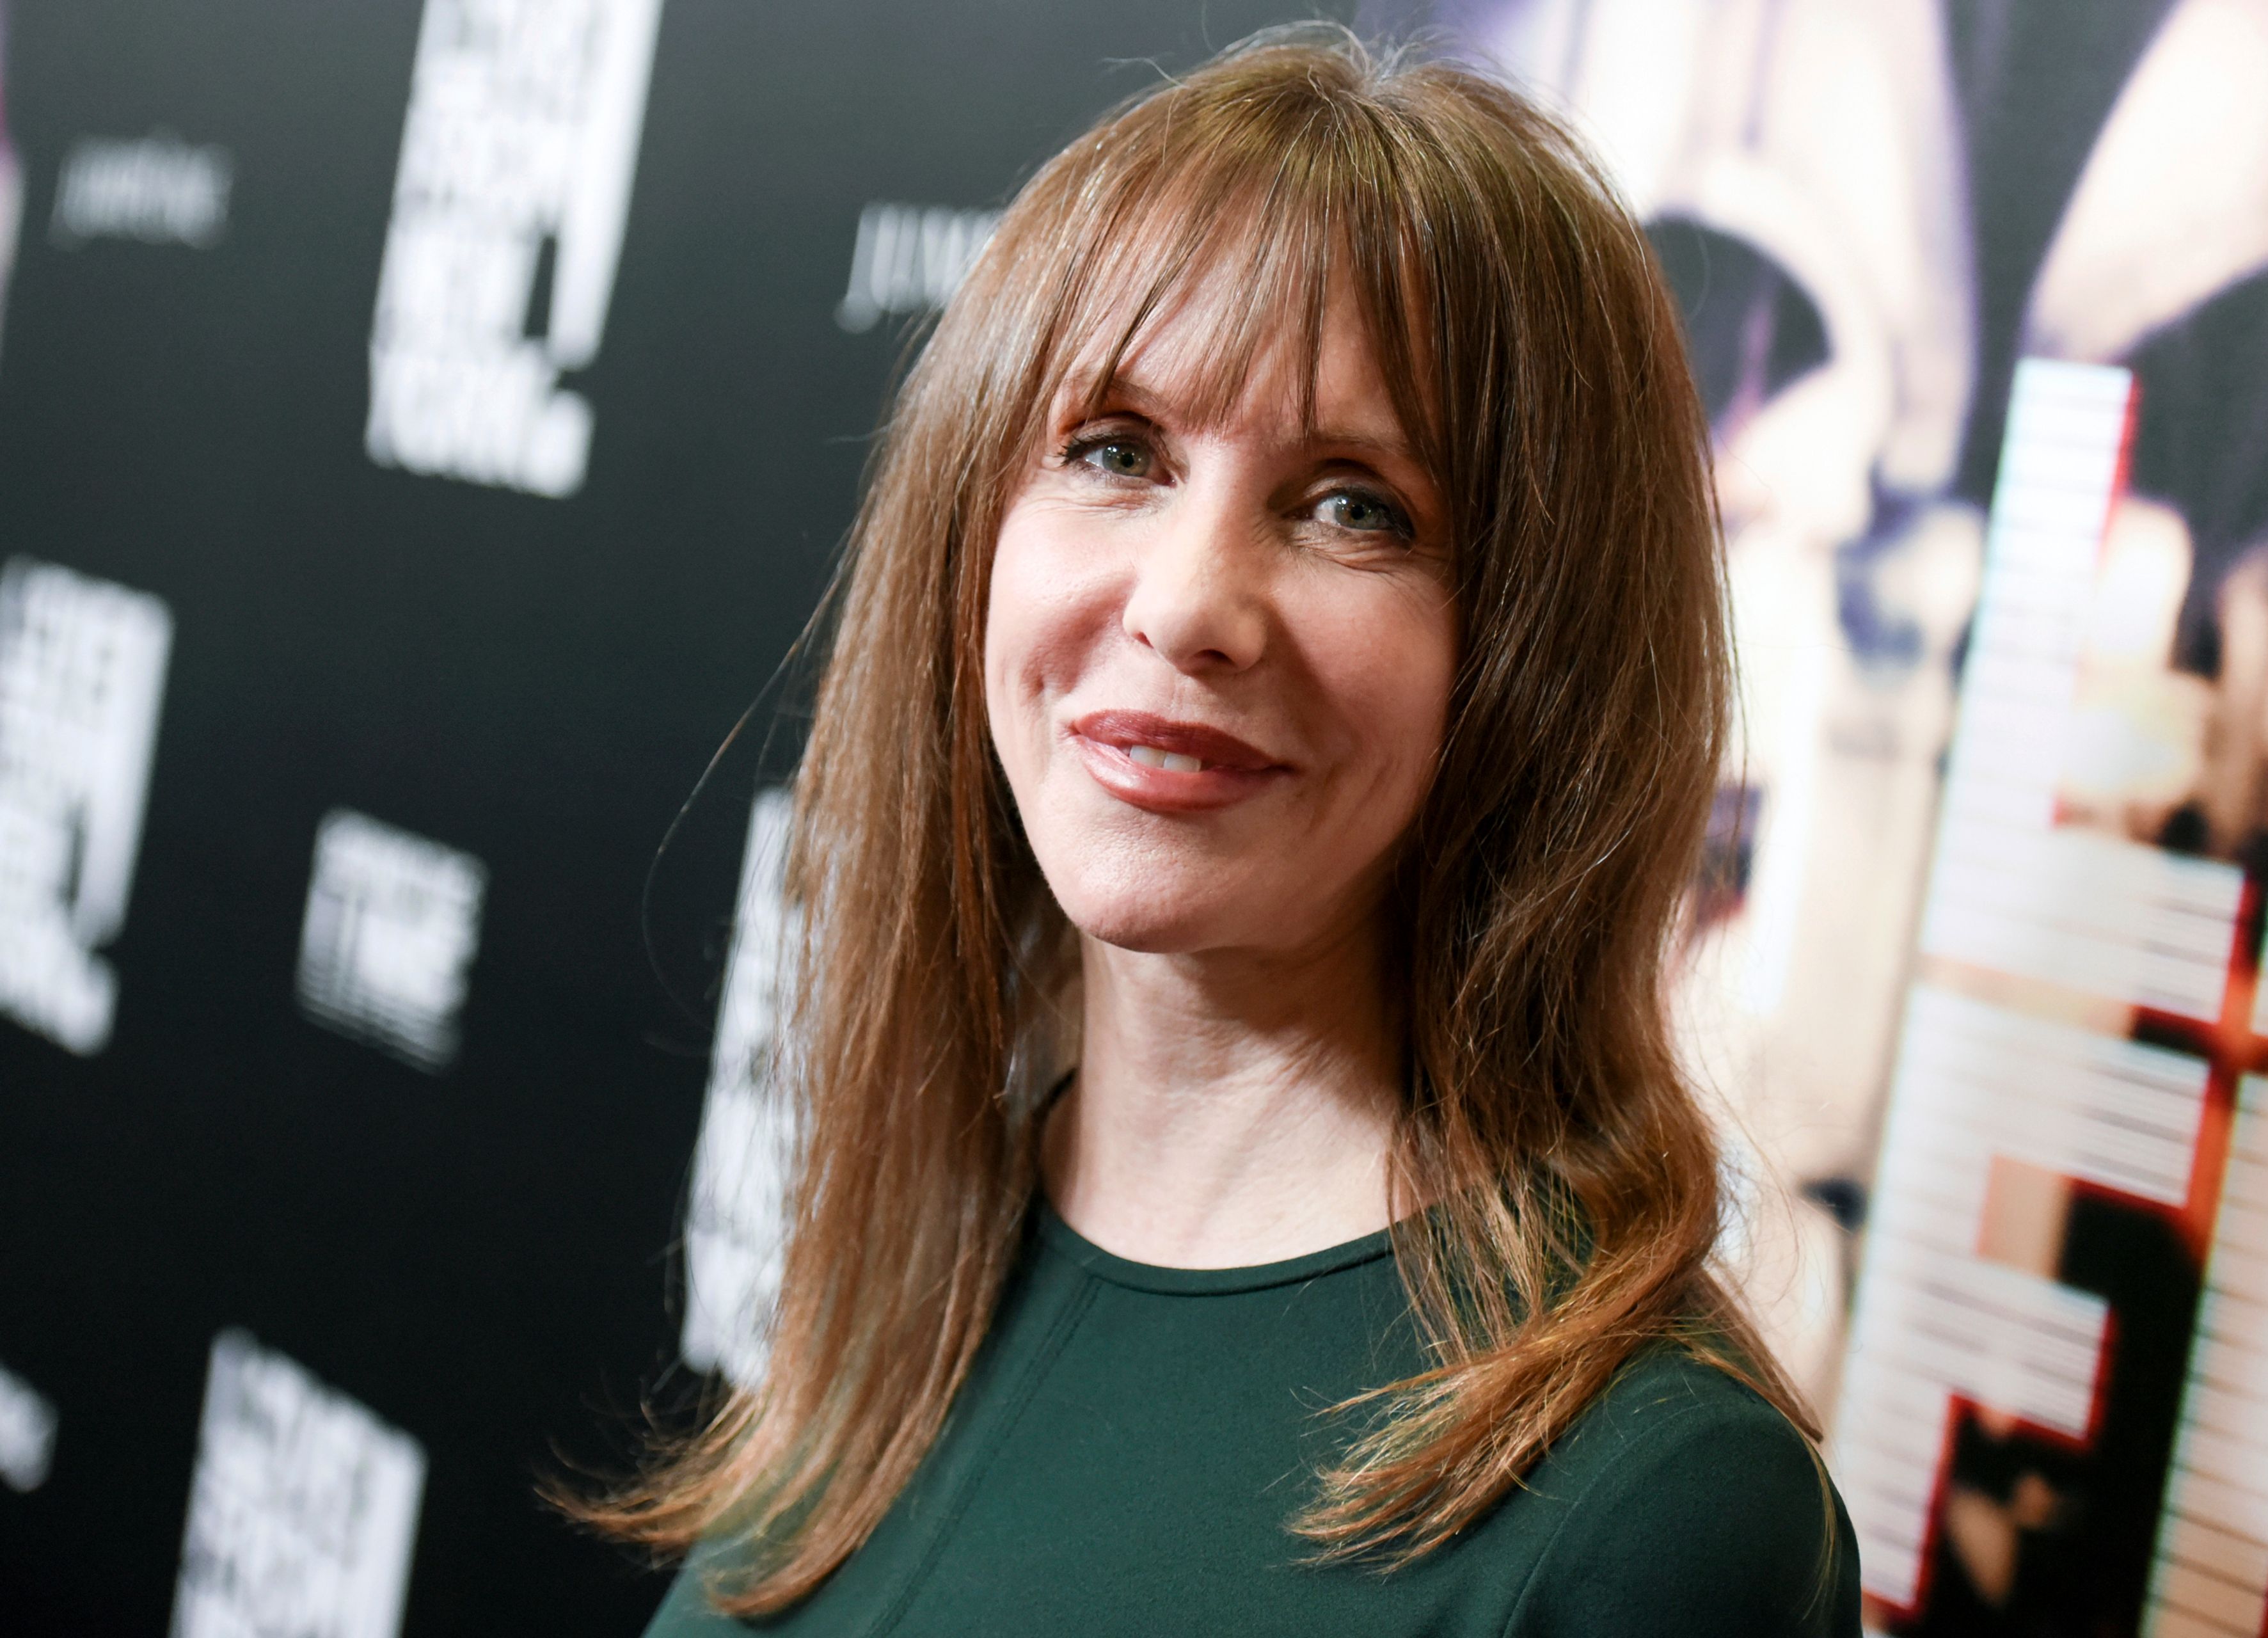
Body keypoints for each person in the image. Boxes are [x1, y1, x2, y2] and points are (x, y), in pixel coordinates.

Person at [591, 26, 1859, 1636]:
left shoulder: (1649, 1509)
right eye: (1116, 452)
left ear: (1542, 657)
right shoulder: (919, 1271)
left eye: (1354, 505)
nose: (1188, 604)